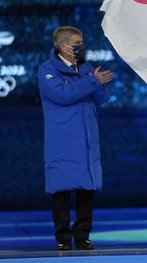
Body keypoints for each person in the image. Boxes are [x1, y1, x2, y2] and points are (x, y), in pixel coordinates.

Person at [37, 26, 113, 250]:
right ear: (63, 45)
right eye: (77, 43)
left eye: (82, 43)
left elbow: (101, 99)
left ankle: (82, 235)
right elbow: (63, 95)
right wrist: (92, 82)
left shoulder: (87, 69)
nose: (81, 47)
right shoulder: (46, 70)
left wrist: (98, 83)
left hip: (87, 137)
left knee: (86, 190)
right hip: (62, 139)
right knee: (61, 190)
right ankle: (62, 237)